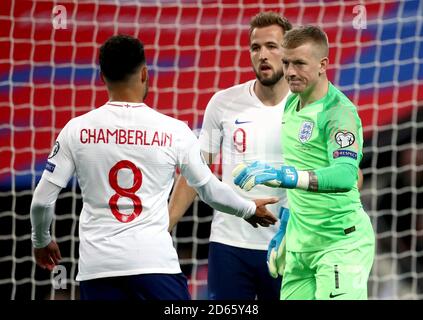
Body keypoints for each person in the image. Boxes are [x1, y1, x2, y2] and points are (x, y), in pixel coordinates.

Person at [29, 35, 278, 300]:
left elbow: (42, 201)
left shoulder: (75, 130)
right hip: (156, 266)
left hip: (97, 269)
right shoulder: (174, 131)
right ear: (145, 73)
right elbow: (208, 189)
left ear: (102, 77)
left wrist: (41, 240)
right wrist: (249, 209)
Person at [233, 25, 375, 300]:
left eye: (299, 63)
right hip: (300, 245)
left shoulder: (338, 113)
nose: (290, 72)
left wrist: (286, 175)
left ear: (323, 65)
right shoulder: (292, 104)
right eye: (286, 63)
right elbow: (302, 164)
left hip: (340, 243)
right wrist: (286, 224)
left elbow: (346, 176)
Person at [168, 12, 292, 300]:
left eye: (272, 46)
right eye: (256, 47)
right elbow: (197, 171)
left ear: (288, 51)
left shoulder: (309, 108)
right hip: (230, 246)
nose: (263, 55)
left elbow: (345, 176)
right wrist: (166, 224)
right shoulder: (223, 103)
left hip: (289, 245)